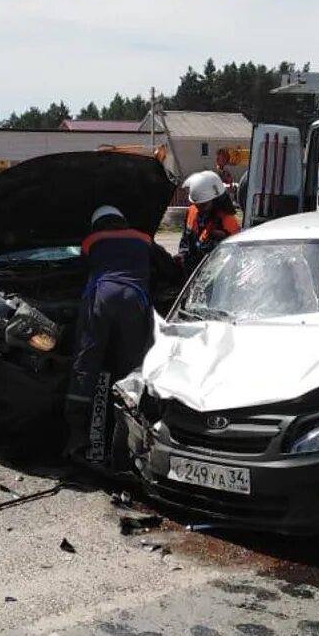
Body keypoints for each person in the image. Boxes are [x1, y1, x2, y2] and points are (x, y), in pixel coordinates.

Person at [64, 205, 155, 465]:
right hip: (134, 300)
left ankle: (77, 438)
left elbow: (76, 271)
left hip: (101, 297)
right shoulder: (144, 239)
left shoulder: (91, 241)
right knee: (132, 368)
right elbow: (167, 268)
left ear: (96, 224)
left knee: (86, 362)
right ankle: (127, 440)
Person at [177, 171, 241, 273]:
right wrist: (182, 258)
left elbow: (233, 259)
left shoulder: (228, 222)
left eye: (203, 204)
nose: (199, 208)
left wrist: (222, 238)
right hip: (191, 272)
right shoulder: (192, 211)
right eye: (196, 204)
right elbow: (185, 242)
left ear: (216, 200)